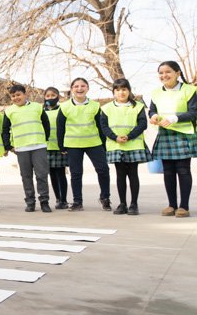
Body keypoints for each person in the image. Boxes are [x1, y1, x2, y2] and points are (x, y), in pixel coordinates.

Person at [148, 61, 197, 218]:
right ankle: (171, 205)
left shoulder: (189, 90)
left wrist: (174, 118)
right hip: (165, 134)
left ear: (177, 73)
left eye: (168, 72)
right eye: (161, 73)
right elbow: (152, 110)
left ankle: (183, 206)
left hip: (183, 134)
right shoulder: (156, 92)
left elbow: (194, 112)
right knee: (168, 171)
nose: (164, 75)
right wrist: (153, 116)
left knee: (183, 170)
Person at [57, 77, 111, 212]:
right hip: (73, 144)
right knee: (76, 173)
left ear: (88, 88)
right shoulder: (64, 107)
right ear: (72, 89)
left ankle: (105, 198)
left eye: (83, 86)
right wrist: (61, 146)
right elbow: (60, 128)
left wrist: (104, 145)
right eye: (76, 86)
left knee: (103, 170)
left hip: (94, 143)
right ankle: (77, 201)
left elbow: (101, 126)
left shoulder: (95, 106)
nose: (79, 89)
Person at [99, 79, 150, 215]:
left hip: (133, 145)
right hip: (115, 145)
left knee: (133, 174)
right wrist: (115, 137)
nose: (121, 92)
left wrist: (129, 136)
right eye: (118, 90)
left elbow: (142, 124)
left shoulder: (138, 106)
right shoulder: (106, 108)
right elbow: (103, 126)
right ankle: (122, 204)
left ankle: (134, 204)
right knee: (120, 175)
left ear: (129, 90)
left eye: (124, 89)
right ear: (114, 92)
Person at [2, 84, 52, 212]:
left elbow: (46, 123)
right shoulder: (9, 111)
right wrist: (8, 145)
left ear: (25, 94)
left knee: (41, 175)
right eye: (13, 96)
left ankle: (44, 201)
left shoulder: (37, 107)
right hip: (22, 148)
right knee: (26, 176)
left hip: (38, 146)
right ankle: (30, 202)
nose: (16, 98)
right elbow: (5, 130)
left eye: (18, 95)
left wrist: (44, 139)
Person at [44, 87, 70, 209]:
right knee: (52, 175)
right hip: (46, 147)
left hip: (60, 147)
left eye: (53, 95)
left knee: (60, 174)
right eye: (48, 96)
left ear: (58, 96)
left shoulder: (62, 109)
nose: (50, 98)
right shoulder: (41, 111)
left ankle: (64, 199)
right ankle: (58, 199)